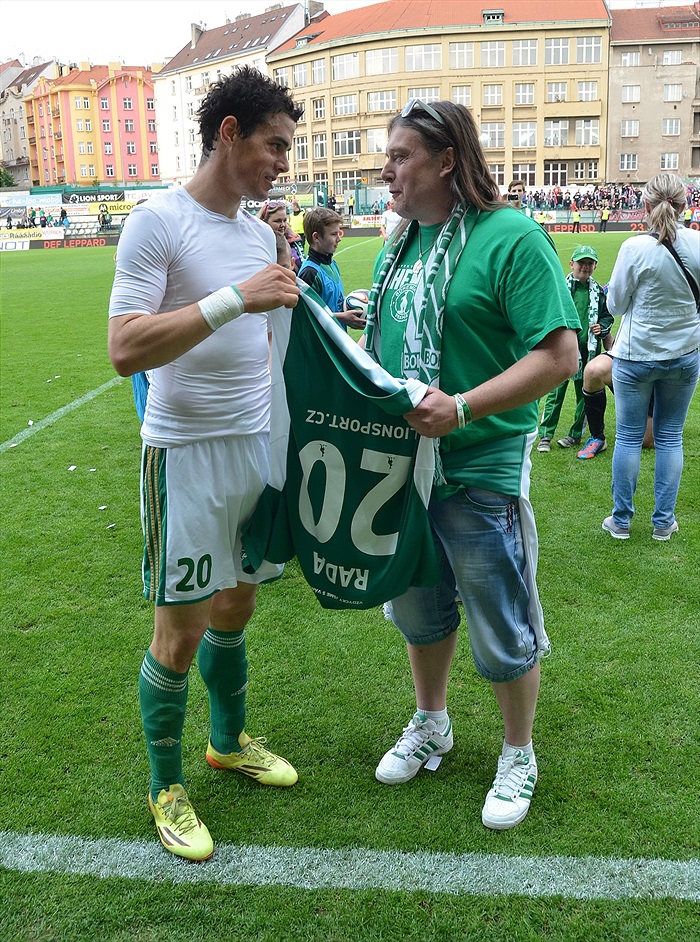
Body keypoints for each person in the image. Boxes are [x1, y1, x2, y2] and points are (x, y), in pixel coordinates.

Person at [363, 98, 579, 830]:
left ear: (448, 159)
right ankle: (433, 722)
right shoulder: (396, 247)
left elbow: (559, 357)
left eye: (400, 156)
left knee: (500, 619)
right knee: (419, 609)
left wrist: (460, 407)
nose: (385, 170)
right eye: (386, 157)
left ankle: (519, 754)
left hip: (478, 466)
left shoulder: (511, 237)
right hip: (404, 468)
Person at [107, 66, 303, 862]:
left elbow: (274, 342)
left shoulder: (259, 236)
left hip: (252, 453)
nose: (283, 162)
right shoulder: (157, 222)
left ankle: (226, 742)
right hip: (184, 453)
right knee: (178, 636)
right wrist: (236, 299)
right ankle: (166, 784)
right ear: (229, 133)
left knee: (236, 609)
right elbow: (124, 350)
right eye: (273, 144)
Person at [602, 173, 699, 541]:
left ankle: (622, 520)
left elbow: (616, 304)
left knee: (628, 437)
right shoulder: (697, 243)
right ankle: (663, 522)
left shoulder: (633, 247)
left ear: (644, 206)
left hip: (636, 355)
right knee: (670, 437)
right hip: (684, 354)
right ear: (683, 205)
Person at [537, 246, 612, 452]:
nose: (585, 267)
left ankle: (575, 435)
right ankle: (545, 436)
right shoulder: (560, 287)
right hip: (561, 349)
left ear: (595, 266)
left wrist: (602, 326)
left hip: (588, 350)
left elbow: (607, 315)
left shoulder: (598, 291)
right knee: (555, 393)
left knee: (584, 394)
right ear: (572, 264)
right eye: (581, 263)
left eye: (590, 263)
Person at [576, 351, 655, 459]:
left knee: (646, 442)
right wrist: (605, 334)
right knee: (593, 371)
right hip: (624, 353)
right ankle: (597, 437)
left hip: (657, 363)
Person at [298, 207, 365, 331]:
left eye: (338, 233)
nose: (339, 238)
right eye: (334, 234)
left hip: (338, 341)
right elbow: (304, 317)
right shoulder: (310, 273)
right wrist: (341, 317)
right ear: (316, 237)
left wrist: (349, 304)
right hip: (321, 347)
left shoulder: (332, 263)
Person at [259, 199, 303, 273]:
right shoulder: (258, 245)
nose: (282, 225)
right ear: (264, 222)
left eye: (284, 220)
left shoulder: (294, 241)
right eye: (277, 221)